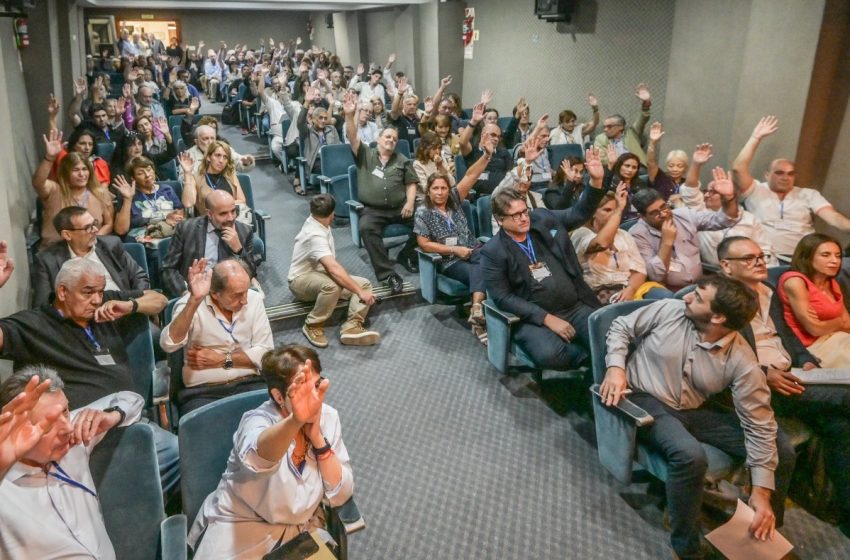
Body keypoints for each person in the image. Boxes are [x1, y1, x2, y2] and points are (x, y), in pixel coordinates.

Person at [599, 276, 795, 560]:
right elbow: (621, 326)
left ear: (718, 317)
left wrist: (762, 491)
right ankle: (686, 548)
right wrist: (615, 367)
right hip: (645, 397)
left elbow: (759, 424)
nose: (687, 297)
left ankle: (763, 530)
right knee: (689, 455)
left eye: (698, 297)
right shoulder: (669, 309)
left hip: (695, 408)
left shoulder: (742, 360)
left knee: (781, 448)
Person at [0, 258, 179, 494]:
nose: (96, 300)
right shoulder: (34, 324)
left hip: (130, 417)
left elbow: (159, 299)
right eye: (88, 292)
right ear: (63, 292)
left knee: (182, 455)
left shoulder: (105, 306)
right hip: (81, 436)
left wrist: (130, 306)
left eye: (100, 291)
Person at [718, 236, 850, 538]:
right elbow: (718, 354)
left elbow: (788, 335)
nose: (760, 262)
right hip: (758, 387)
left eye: (761, 255)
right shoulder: (720, 300)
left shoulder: (768, 291)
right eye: (749, 259)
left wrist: (805, 360)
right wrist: (765, 373)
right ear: (726, 266)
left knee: (841, 427)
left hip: (792, 376)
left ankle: (845, 512)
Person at [188, 344, 353, 558]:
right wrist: (296, 421)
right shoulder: (255, 421)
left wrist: (318, 440)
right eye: (302, 390)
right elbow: (259, 456)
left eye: (317, 385)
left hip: (300, 533)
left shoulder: (328, 418)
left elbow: (342, 492)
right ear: (278, 396)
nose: (314, 399)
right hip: (243, 528)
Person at [480, 148, 606, 371]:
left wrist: (596, 182)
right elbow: (503, 298)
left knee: (606, 337)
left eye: (524, 211)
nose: (523, 218)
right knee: (552, 354)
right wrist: (546, 318)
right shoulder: (494, 251)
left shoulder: (542, 219)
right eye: (515, 215)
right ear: (500, 220)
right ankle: (588, 362)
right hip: (533, 316)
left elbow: (578, 213)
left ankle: (595, 370)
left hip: (574, 306)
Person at [0, 366, 144, 560]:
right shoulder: (5, 488)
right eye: (49, 423)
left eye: (65, 411)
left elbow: (131, 398)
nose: (67, 428)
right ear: (17, 429)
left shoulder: (75, 439)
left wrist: (111, 415)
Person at [160, 259, 272, 414]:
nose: (245, 300)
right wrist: (194, 301)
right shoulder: (190, 304)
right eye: (237, 295)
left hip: (250, 384)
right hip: (203, 392)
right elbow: (168, 344)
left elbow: (266, 353)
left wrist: (221, 359)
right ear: (215, 293)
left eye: (246, 290)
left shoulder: (254, 300)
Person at [414, 137, 497, 344]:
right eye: (436, 189)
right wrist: (455, 251)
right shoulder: (423, 212)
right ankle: (479, 319)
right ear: (429, 190)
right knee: (482, 270)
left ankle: (477, 311)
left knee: (490, 261)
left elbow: (471, 174)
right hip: (449, 260)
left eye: (443, 188)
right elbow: (423, 244)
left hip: (473, 249)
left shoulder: (454, 199)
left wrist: (487, 156)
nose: (441, 192)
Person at [733, 116, 850, 259]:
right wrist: (755, 137)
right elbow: (738, 168)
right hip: (765, 257)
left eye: (790, 174)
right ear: (767, 175)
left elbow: (833, 217)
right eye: (779, 173)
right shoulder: (755, 189)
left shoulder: (808, 194)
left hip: (803, 258)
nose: (785, 177)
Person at [343, 91, 419, 294]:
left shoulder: (402, 160)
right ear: (378, 138)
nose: (391, 141)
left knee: (425, 219)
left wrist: (410, 203)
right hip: (373, 210)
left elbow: (411, 183)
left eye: (394, 139)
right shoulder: (365, 155)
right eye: (387, 137)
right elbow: (352, 137)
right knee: (366, 228)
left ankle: (406, 254)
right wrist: (350, 116)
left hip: (400, 208)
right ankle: (387, 274)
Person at [32, 207, 167, 317]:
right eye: (88, 228)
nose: (96, 230)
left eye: (94, 224)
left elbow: (139, 277)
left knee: (155, 338)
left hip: (123, 309)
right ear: (67, 235)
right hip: (80, 320)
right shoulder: (46, 260)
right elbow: (42, 306)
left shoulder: (111, 245)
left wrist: (134, 304)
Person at [289, 194, 380, 348]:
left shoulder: (318, 220)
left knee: (364, 284)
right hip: (300, 281)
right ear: (332, 213)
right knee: (333, 286)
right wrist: (358, 292)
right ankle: (312, 325)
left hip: (321, 275)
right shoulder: (314, 234)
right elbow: (333, 268)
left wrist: (358, 288)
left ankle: (351, 326)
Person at [630, 168, 740, 292]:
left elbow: (725, 220)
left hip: (699, 284)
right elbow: (656, 275)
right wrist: (666, 242)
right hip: (668, 292)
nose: (664, 214)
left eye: (663, 207)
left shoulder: (684, 215)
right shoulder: (637, 234)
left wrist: (728, 198)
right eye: (655, 213)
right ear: (642, 217)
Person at [570, 184, 671, 304]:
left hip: (630, 287)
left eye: (615, 210)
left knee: (667, 299)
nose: (613, 215)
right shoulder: (581, 234)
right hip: (600, 291)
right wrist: (619, 210)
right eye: (607, 210)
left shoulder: (623, 234)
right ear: (593, 213)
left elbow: (639, 270)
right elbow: (602, 243)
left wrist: (631, 289)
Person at [161, 190, 258, 298]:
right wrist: (184, 293)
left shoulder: (244, 231)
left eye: (233, 211)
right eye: (223, 213)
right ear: (209, 213)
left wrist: (239, 249)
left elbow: (252, 272)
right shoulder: (186, 228)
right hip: (194, 291)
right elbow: (169, 268)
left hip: (229, 293)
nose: (230, 218)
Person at [777, 233, 850, 369]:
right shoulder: (795, 281)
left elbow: (848, 323)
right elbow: (814, 329)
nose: (835, 261)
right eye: (825, 255)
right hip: (813, 347)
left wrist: (830, 324)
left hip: (839, 338)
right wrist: (838, 322)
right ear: (807, 257)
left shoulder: (831, 282)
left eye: (838, 255)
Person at [32, 130, 114, 249]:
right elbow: (38, 183)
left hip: (91, 250)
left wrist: (93, 238)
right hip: (56, 252)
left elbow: (108, 224)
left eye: (84, 169)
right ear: (66, 173)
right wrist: (49, 158)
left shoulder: (99, 193)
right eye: (76, 170)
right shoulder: (55, 190)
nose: (82, 174)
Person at [112, 155, 185, 239]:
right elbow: (121, 230)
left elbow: (180, 216)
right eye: (140, 173)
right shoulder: (127, 195)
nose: (147, 175)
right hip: (143, 239)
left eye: (149, 169)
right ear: (133, 178)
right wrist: (128, 199)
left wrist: (171, 220)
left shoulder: (167, 190)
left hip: (170, 234)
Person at [183, 140, 250, 216]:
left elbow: (242, 201)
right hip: (208, 222)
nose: (221, 161)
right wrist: (187, 173)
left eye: (225, 157)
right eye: (217, 155)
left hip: (230, 219)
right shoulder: (196, 177)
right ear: (208, 157)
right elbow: (188, 203)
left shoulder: (230, 175)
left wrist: (222, 208)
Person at [594, 83, 652, 166]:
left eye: (609, 126)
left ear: (621, 127)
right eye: (604, 127)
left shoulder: (632, 133)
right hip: (615, 169)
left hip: (638, 168)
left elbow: (643, 118)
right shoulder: (600, 139)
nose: (605, 129)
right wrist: (621, 162)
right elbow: (601, 159)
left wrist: (646, 104)